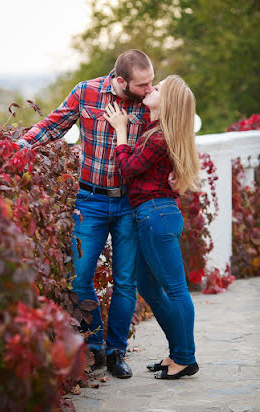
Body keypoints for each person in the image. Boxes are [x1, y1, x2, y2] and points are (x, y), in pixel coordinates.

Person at [17, 50, 154, 379]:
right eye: (142, 84)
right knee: (78, 280)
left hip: (129, 204)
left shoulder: (151, 103)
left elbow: (168, 139)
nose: (150, 89)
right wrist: (17, 147)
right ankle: (95, 346)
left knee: (125, 283)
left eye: (151, 82)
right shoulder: (86, 92)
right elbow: (52, 126)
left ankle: (116, 353)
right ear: (121, 81)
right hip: (90, 201)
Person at [103, 75, 200, 380]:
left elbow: (129, 169)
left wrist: (120, 132)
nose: (150, 89)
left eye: (157, 89)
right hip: (151, 215)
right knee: (148, 286)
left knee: (176, 290)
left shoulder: (159, 137)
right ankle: (177, 352)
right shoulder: (155, 129)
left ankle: (185, 358)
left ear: (167, 102)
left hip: (156, 216)